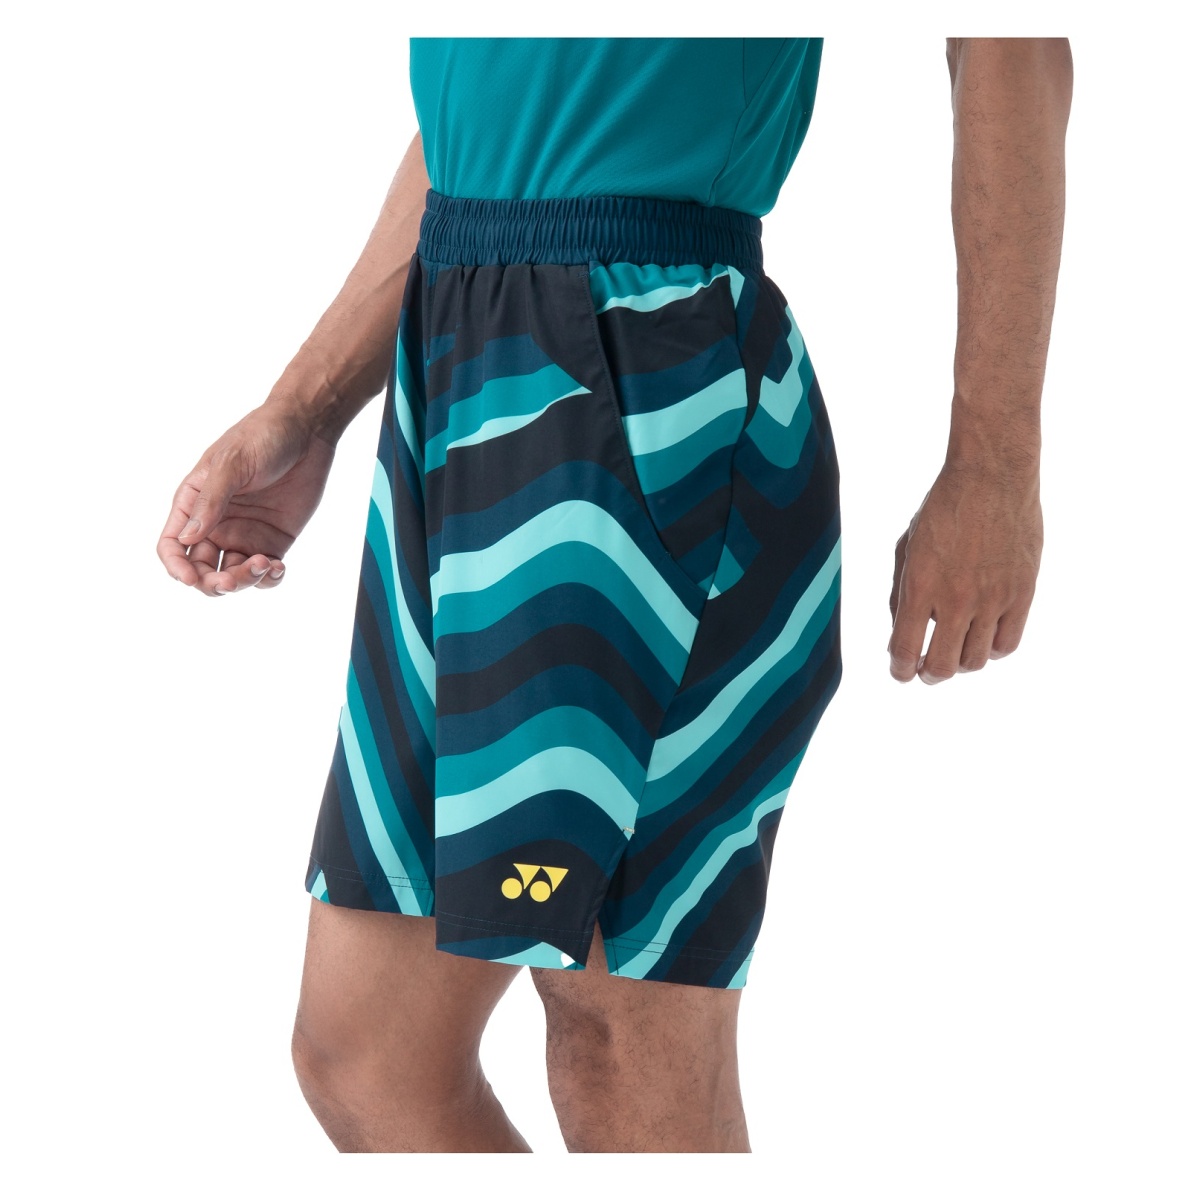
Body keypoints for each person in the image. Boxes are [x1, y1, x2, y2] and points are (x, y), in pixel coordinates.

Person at [155, 37, 1073, 1153]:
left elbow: (1011, 42)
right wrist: (303, 408)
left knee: (620, 1039)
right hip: (459, 357)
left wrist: (993, 463)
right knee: (366, 1054)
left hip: (644, 378)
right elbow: (482, 134)